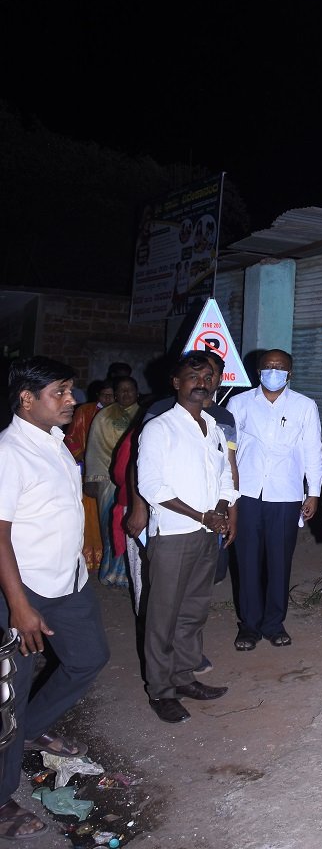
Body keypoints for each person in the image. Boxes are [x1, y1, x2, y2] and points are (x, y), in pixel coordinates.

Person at [0, 357, 109, 840]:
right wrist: (19, 606)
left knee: (89, 658)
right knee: (8, 696)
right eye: (59, 392)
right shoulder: (9, 453)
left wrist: (80, 551)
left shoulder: (55, 442)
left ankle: (29, 729)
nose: (71, 400)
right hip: (22, 590)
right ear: (27, 398)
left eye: (70, 390)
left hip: (67, 582)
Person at [136, 351, 238, 724]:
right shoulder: (159, 428)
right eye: (193, 376)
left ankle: (183, 676)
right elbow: (151, 486)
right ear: (176, 382)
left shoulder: (213, 427)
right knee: (163, 616)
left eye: (209, 376)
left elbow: (225, 475)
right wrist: (201, 515)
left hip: (206, 533)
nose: (202, 383)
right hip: (175, 535)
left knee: (193, 611)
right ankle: (161, 690)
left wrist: (222, 509)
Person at [227, 349, 322, 650]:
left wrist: (314, 492)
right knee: (247, 560)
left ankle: (274, 623)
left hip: (285, 494)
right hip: (246, 493)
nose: (273, 371)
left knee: (279, 561)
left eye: (279, 367)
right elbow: (226, 450)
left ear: (289, 373)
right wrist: (226, 494)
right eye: (267, 366)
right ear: (258, 371)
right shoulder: (239, 403)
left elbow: (313, 451)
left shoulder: (304, 406)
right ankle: (249, 625)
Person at [84, 376, 140, 587]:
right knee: (110, 527)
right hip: (108, 481)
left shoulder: (145, 415)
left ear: (137, 393)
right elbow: (95, 448)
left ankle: (129, 574)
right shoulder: (104, 416)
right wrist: (93, 478)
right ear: (115, 394)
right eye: (121, 390)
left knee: (132, 526)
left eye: (130, 390)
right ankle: (110, 571)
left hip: (134, 482)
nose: (126, 394)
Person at [64, 379, 115, 572]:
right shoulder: (85, 411)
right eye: (105, 395)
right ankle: (90, 555)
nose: (109, 399)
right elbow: (71, 438)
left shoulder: (120, 412)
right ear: (98, 395)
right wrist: (86, 459)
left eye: (112, 395)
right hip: (89, 470)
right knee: (90, 513)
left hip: (112, 472)